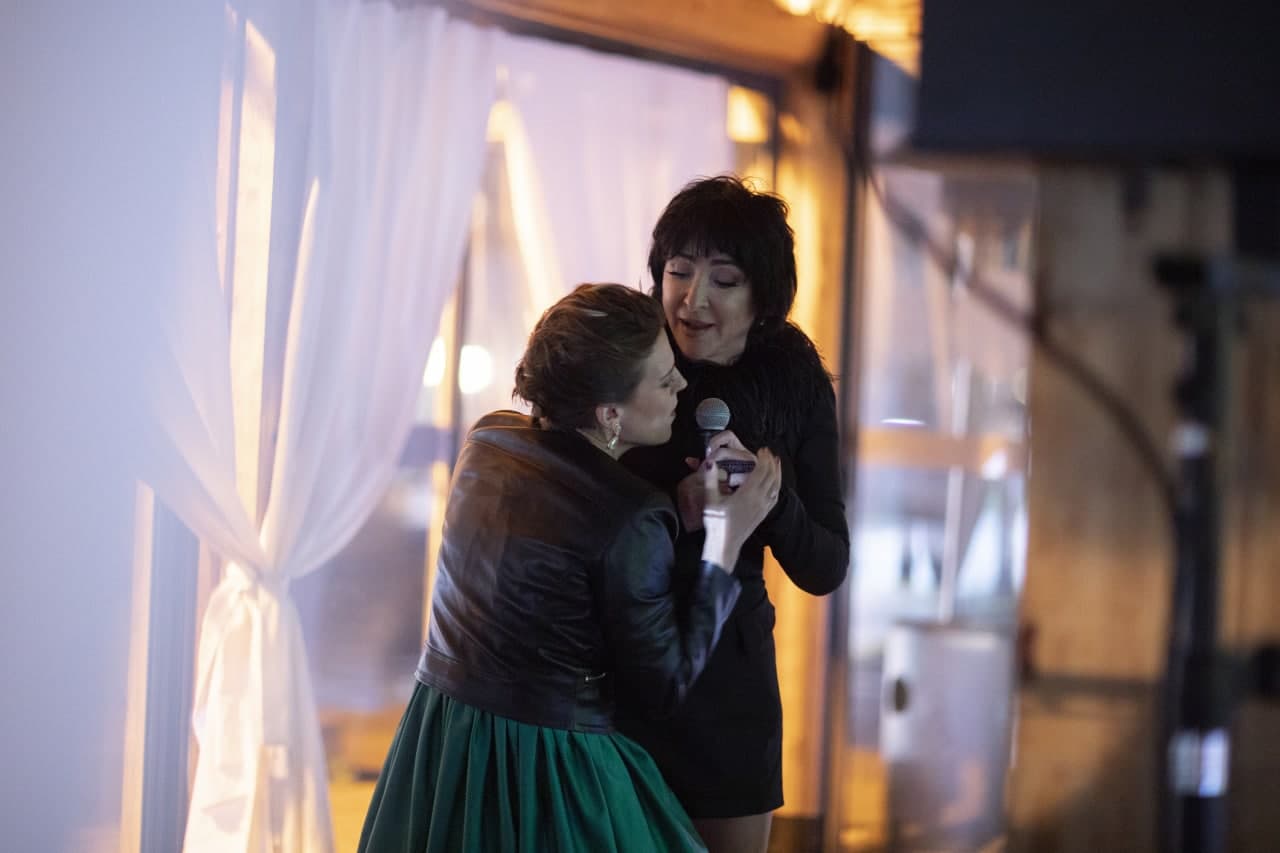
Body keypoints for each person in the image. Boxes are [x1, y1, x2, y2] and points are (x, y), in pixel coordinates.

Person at [358, 283, 782, 853]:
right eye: (664, 380)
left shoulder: (488, 439)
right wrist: (726, 540)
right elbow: (667, 684)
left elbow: (563, 550)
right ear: (610, 414)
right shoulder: (634, 514)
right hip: (548, 763)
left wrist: (681, 511)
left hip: (446, 737)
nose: (682, 385)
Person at [619, 176, 851, 853]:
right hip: (616, 666)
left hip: (728, 677)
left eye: (723, 279)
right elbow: (568, 506)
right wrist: (677, 506)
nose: (693, 300)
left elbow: (826, 565)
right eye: (678, 271)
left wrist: (764, 499)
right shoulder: (625, 355)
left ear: (764, 299)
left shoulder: (793, 380)